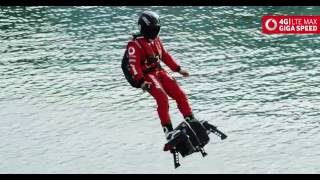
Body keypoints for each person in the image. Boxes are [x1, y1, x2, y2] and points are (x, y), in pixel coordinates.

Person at [125, 11, 198, 140]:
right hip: (147, 76)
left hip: (160, 71)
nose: (155, 32)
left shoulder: (156, 40)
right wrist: (141, 82)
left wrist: (178, 69)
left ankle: (190, 118)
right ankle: (168, 130)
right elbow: (134, 65)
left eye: (156, 29)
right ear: (145, 28)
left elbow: (164, 55)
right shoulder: (134, 45)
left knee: (180, 94)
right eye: (152, 30)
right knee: (162, 99)